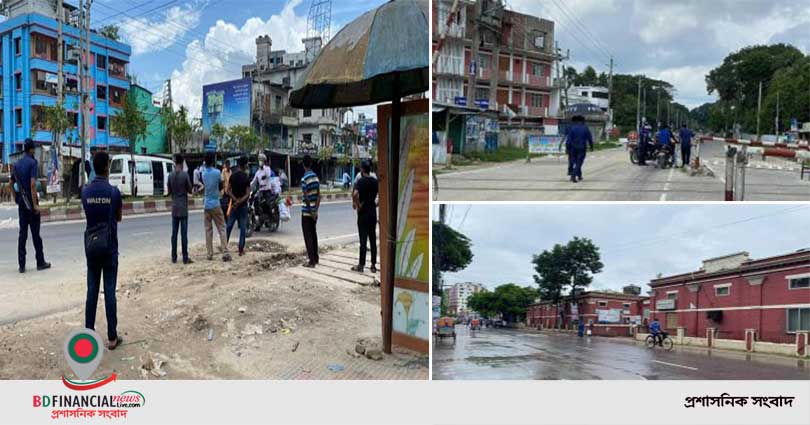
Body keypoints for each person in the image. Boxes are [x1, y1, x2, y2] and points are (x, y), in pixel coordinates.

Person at [81, 151, 123, 350]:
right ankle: (112, 337)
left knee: (92, 291)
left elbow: (88, 214)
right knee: (109, 292)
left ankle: (88, 334)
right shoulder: (114, 192)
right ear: (106, 167)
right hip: (109, 248)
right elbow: (119, 217)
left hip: (91, 247)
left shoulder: (85, 192)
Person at [11, 139, 50, 273]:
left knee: (22, 234)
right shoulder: (33, 163)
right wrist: (34, 205)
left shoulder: (17, 164)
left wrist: (16, 198)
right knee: (35, 234)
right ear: (32, 149)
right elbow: (33, 185)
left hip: (21, 203)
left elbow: (11, 184)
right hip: (31, 204)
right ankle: (40, 262)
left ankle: (21, 265)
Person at [202, 152, 231, 262]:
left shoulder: (203, 174)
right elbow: (221, 185)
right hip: (215, 203)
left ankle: (209, 254)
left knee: (208, 230)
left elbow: (205, 186)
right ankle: (225, 251)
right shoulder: (217, 172)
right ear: (213, 161)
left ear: (205, 162)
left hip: (206, 204)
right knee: (222, 227)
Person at [351, 160, 378, 273]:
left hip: (363, 214)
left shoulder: (360, 181)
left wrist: (358, 205)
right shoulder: (375, 182)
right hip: (372, 212)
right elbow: (380, 196)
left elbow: (355, 194)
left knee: (363, 240)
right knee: (372, 239)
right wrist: (375, 204)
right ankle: (373, 265)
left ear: (362, 169)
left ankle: (361, 265)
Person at [167, 154, 193, 264]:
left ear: (175, 163)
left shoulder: (170, 175)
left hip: (174, 207)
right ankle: (185, 257)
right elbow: (190, 189)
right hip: (183, 208)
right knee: (184, 234)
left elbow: (169, 191)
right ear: (182, 163)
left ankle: (174, 257)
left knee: (174, 234)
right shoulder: (185, 175)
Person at [226, 156, 251, 256]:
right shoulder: (246, 177)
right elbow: (248, 193)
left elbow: (228, 190)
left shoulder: (233, 176)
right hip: (243, 206)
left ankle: (224, 246)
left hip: (234, 205)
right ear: (245, 165)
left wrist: (235, 200)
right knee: (243, 228)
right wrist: (240, 201)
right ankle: (241, 249)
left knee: (229, 226)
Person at [300, 155, 321, 268]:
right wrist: (315, 211)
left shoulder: (304, 179)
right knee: (313, 234)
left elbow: (306, 197)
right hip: (314, 211)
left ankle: (311, 261)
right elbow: (318, 196)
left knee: (307, 236)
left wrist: (311, 211)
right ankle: (316, 258)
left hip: (306, 212)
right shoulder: (316, 177)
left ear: (303, 165)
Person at [564, 115, 594, 183]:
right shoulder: (585, 128)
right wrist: (591, 147)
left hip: (573, 148)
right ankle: (573, 175)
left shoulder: (572, 129)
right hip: (582, 148)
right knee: (579, 162)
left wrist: (567, 148)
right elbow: (590, 139)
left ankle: (579, 175)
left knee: (576, 162)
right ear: (582, 121)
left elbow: (568, 140)